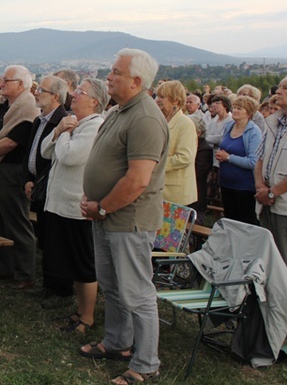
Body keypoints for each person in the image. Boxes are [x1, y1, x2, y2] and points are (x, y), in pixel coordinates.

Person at [79, 48, 167, 384]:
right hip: (106, 216)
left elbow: (137, 180)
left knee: (137, 293)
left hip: (127, 219)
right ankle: (118, 342)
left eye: (116, 72)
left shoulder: (144, 118)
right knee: (113, 286)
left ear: (137, 81)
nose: (109, 77)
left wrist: (102, 207)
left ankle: (146, 364)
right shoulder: (121, 110)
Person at [41, 78, 108, 334]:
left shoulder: (93, 127)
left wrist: (64, 132)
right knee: (72, 263)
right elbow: (46, 151)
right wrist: (58, 132)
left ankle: (88, 317)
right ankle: (80, 310)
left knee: (83, 263)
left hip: (76, 206)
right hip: (60, 204)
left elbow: (69, 157)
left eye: (81, 93)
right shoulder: (73, 122)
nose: (74, 95)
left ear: (95, 101)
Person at [0, 65, 39, 289]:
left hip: (12, 170)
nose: (0, 83)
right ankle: (1, 266)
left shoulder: (28, 108)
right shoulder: (2, 105)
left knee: (16, 221)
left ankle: (24, 274)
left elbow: (13, 141)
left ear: (21, 85)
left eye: (6, 80)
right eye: (1, 79)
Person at [255, 70, 287, 340]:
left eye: (285, 88)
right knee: (272, 262)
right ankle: (276, 311)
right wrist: (261, 187)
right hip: (267, 202)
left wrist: (274, 192)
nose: (278, 92)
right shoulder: (273, 122)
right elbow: (260, 159)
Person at [23, 74, 69, 304]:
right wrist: (27, 178)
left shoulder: (63, 121)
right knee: (45, 237)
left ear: (56, 96)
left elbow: (57, 157)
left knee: (54, 239)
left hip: (51, 187)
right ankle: (48, 285)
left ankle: (60, 289)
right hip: (37, 184)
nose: (37, 93)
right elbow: (31, 152)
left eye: (42, 90)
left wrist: (38, 179)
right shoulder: (39, 120)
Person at [214, 95, 263, 225]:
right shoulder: (229, 126)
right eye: (234, 107)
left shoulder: (253, 132)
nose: (234, 111)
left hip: (244, 187)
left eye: (239, 108)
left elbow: (253, 161)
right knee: (230, 220)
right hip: (226, 183)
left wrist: (229, 157)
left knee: (244, 222)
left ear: (249, 113)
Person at [155, 81, 197, 206]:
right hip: (158, 188)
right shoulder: (159, 121)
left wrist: (154, 165)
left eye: (162, 97)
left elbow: (185, 157)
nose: (157, 100)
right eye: (157, 96)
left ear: (176, 101)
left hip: (176, 192)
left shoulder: (185, 124)